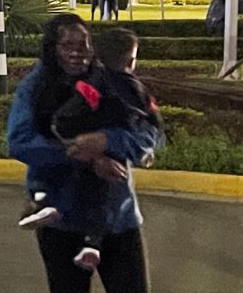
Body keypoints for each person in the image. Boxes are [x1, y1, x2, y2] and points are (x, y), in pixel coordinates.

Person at [8, 14, 161, 293]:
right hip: (62, 225)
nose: (78, 52)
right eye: (68, 45)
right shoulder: (34, 88)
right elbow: (20, 143)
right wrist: (81, 154)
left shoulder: (113, 81)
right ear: (52, 49)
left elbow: (151, 134)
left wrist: (109, 140)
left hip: (118, 223)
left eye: (84, 45)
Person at [36, 28, 163, 272]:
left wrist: (96, 141)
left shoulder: (86, 85)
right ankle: (91, 243)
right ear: (131, 60)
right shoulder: (135, 88)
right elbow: (154, 127)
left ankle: (87, 240)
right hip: (101, 201)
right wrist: (103, 149)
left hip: (96, 206)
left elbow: (61, 122)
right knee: (104, 189)